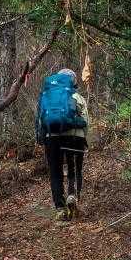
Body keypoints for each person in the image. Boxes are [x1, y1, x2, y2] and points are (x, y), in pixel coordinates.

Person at [35, 68, 90, 219]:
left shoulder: (45, 96)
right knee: (75, 168)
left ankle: (60, 208)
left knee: (55, 172)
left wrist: (41, 139)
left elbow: (39, 120)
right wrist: (83, 137)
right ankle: (72, 195)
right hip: (75, 136)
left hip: (51, 137)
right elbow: (86, 120)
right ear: (73, 81)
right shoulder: (76, 96)